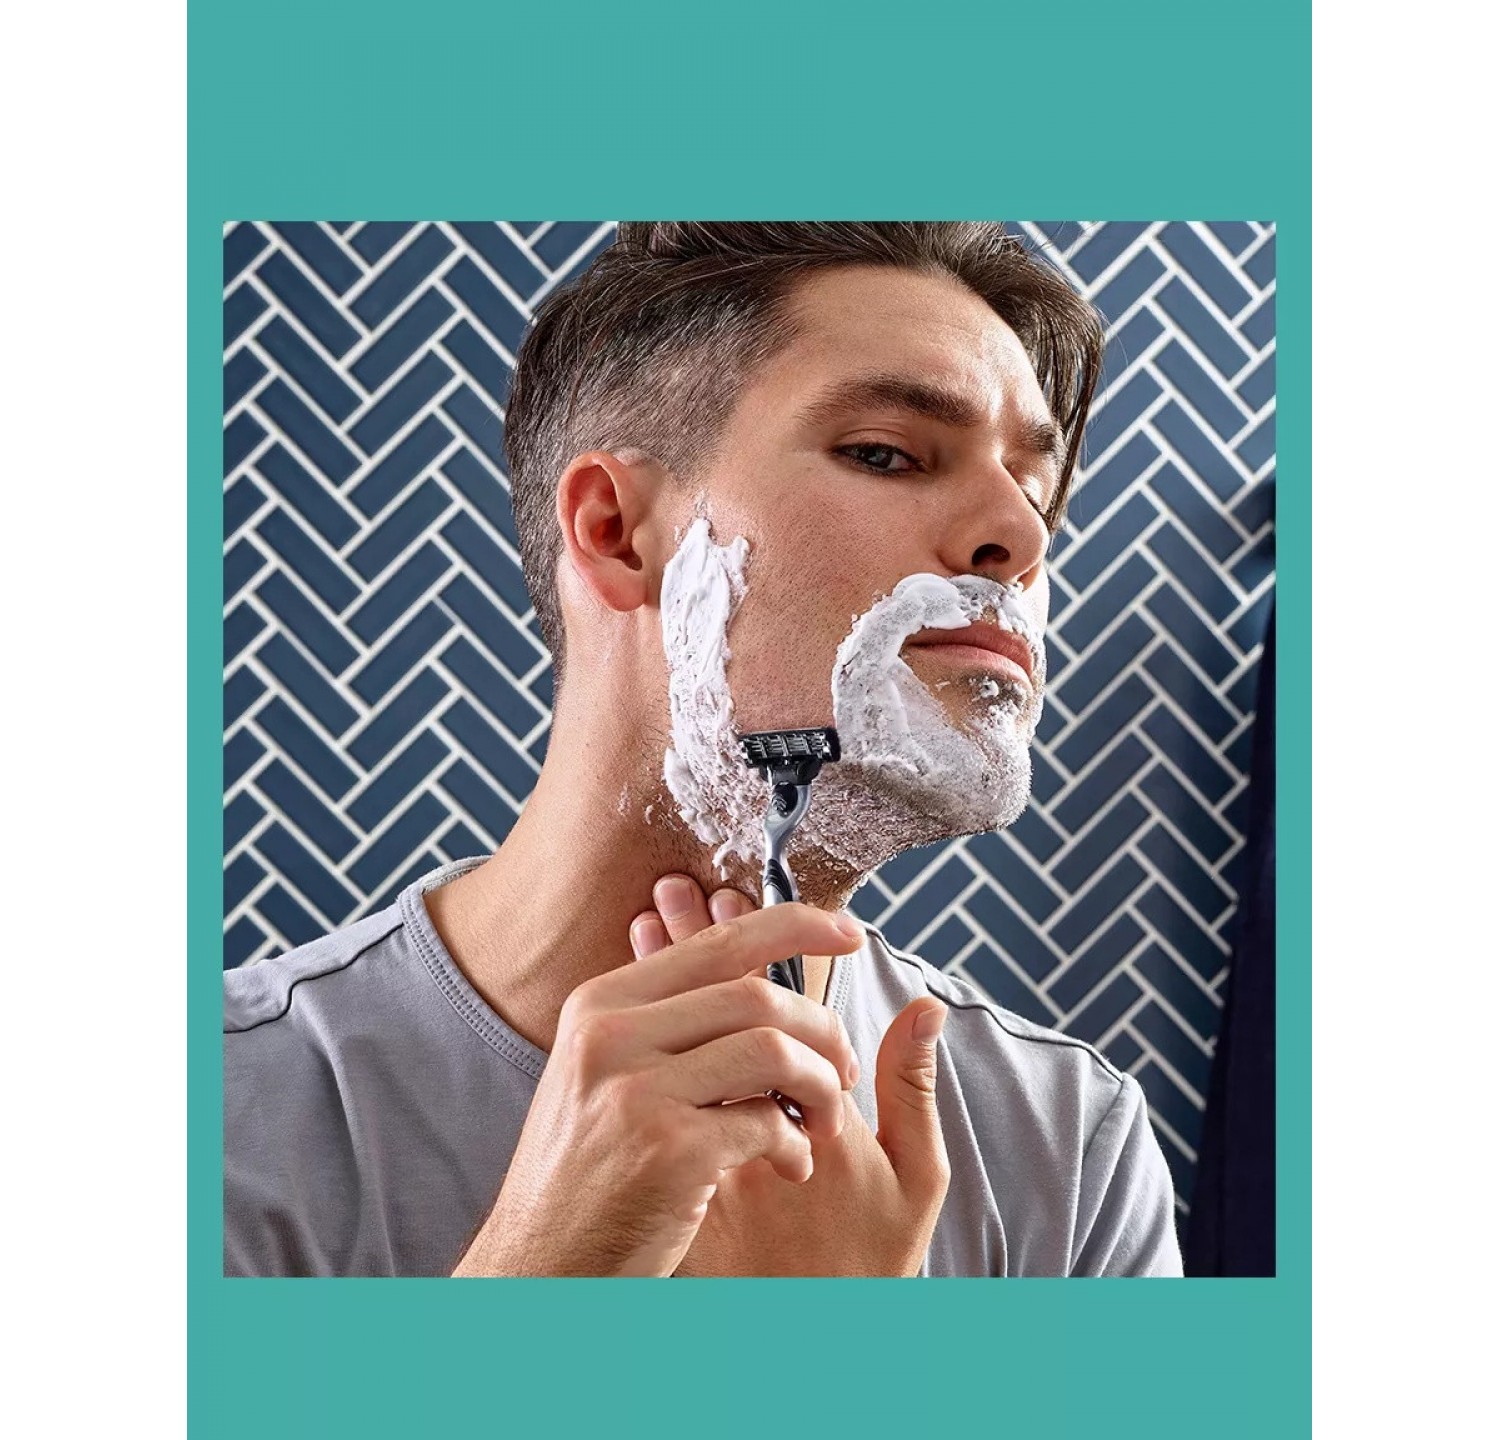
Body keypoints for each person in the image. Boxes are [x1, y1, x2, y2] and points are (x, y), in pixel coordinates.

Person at [224, 221, 1184, 1277]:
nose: (1024, 539)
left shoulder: (1072, 1151)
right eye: (886, 454)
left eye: (1038, 493)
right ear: (614, 531)